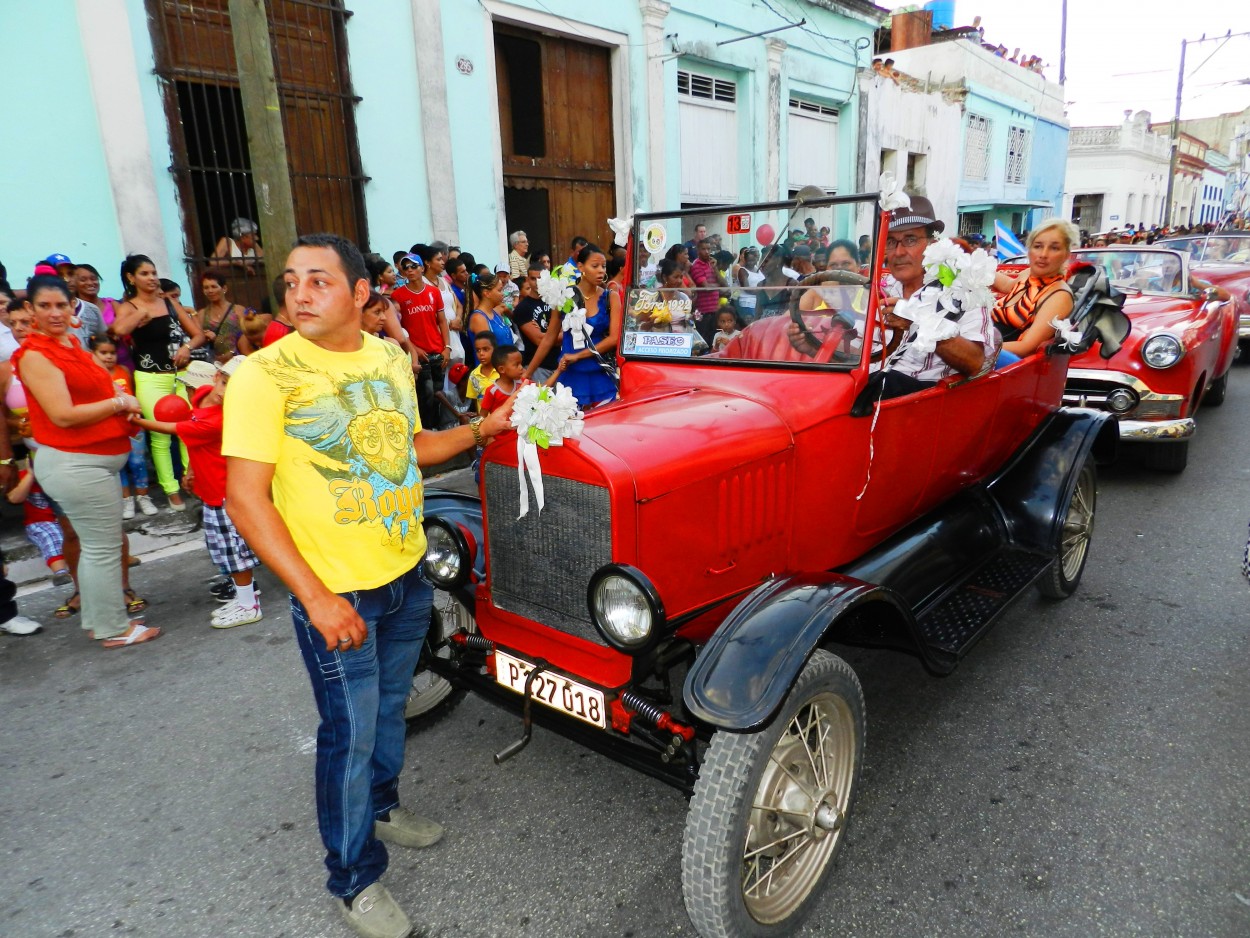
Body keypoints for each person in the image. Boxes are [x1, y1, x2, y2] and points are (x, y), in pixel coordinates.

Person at [222, 233, 514, 938]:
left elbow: (409, 449)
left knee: (388, 710)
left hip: (405, 573)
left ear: (360, 294)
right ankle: (353, 879)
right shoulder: (265, 374)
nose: (299, 293)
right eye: (291, 281)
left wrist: (480, 429)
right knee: (347, 735)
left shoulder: (387, 355)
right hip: (338, 591)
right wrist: (316, 598)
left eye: (319, 281)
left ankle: (383, 807)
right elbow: (245, 498)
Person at [12, 275, 158, 648]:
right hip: (75, 464)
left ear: (72, 307)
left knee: (101, 547)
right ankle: (114, 629)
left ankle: (100, 620)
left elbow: (101, 386)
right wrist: (120, 403)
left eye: (61, 305)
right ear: (30, 310)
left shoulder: (72, 345)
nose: (54, 313)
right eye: (44, 306)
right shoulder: (35, 354)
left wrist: (120, 401)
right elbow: (62, 415)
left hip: (94, 463)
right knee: (102, 548)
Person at [133, 358, 262, 629]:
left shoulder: (221, 419)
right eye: (225, 382)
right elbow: (193, 437)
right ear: (216, 377)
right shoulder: (202, 396)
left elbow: (176, 429)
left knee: (234, 553)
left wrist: (137, 421)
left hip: (226, 494)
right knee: (225, 551)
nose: (226, 390)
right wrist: (192, 469)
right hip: (212, 491)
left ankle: (249, 605)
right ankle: (244, 597)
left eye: (235, 388)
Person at [859, 196, 997, 400]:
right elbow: (855, 350)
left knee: (886, 382)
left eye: (910, 240)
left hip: (924, 403)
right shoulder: (879, 288)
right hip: (868, 393)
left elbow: (975, 363)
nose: (898, 252)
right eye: (890, 241)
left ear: (933, 244)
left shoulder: (963, 292)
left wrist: (920, 322)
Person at [110, 254, 205, 510]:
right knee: (161, 437)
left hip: (181, 376)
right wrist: (141, 312)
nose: (151, 278)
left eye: (153, 273)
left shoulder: (170, 302)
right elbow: (118, 331)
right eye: (144, 274)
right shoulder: (128, 306)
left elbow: (197, 335)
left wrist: (186, 347)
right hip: (151, 379)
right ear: (131, 278)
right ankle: (171, 489)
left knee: (189, 433)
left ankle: (193, 480)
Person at [526, 243, 621, 409]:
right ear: (580, 266)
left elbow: (614, 339)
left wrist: (578, 356)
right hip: (570, 377)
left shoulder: (610, 297)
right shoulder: (563, 295)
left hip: (602, 376)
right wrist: (527, 374)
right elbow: (549, 338)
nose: (601, 271)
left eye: (603, 266)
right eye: (595, 266)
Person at [89, 335, 157, 518]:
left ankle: (143, 497)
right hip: (111, 429)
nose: (109, 357)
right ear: (93, 354)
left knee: (138, 463)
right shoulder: (93, 377)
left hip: (134, 428)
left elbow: (133, 393)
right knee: (119, 466)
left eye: (112, 353)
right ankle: (126, 500)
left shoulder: (124, 370)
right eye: (103, 353)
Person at [990, 219, 1076, 359]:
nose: (1043, 254)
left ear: (1066, 255)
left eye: (1054, 248)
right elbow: (1006, 285)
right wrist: (971, 266)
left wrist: (974, 347)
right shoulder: (1029, 274)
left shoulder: (1059, 296)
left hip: (1002, 359)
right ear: (1029, 250)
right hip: (984, 344)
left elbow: (1026, 346)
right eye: (1038, 246)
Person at [7, 467, 73, 584]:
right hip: (41, 522)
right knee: (51, 535)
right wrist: (31, 474)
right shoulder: (23, 475)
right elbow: (14, 498)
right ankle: (60, 572)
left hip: (68, 517)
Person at [513, 262, 559, 384]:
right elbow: (540, 340)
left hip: (559, 363)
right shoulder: (523, 308)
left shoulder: (555, 301)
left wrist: (549, 334)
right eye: (533, 278)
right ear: (527, 279)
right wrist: (559, 333)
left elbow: (566, 331)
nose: (537, 282)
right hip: (538, 366)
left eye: (540, 278)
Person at [196, 269, 248, 362]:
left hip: (238, 360)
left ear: (224, 288)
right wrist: (205, 336)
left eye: (214, 286)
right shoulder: (202, 314)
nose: (210, 291)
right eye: (206, 288)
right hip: (214, 363)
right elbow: (197, 340)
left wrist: (234, 352)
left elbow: (249, 335)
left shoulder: (238, 310)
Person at [466, 271, 514, 361]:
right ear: (487, 293)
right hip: (492, 372)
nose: (502, 294)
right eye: (499, 290)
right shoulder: (479, 318)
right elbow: (487, 354)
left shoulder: (495, 312)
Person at [480, 344, 523, 414]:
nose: (521, 367)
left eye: (521, 363)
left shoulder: (523, 383)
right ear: (502, 369)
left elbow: (542, 388)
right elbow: (482, 415)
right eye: (516, 364)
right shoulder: (492, 391)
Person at [466, 332, 498, 410]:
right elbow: (475, 400)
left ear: (495, 349)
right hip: (485, 420)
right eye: (478, 350)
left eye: (485, 349)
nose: (481, 354)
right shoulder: (474, 375)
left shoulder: (503, 371)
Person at [736, 247, 764, 320]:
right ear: (745, 259)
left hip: (758, 303)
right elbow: (747, 289)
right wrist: (761, 289)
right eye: (748, 260)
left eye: (752, 260)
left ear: (756, 259)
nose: (750, 262)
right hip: (747, 303)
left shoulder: (758, 269)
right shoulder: (742, 271)